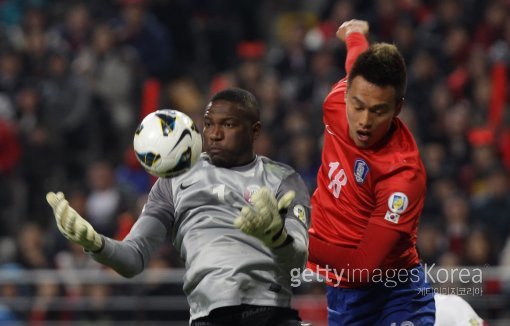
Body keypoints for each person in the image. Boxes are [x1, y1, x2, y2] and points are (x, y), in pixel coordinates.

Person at [46, 88, 311, 325]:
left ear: (255, 130)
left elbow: (298, 260)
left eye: (228, 124)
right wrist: (95, 244)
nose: (215, 135)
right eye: (208, 125)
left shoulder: (283, 179)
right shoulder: (173, 182)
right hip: (208, 317)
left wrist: (276, 237)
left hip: (270, 314)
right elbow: (134, 258)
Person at [306, 19, 436, 325]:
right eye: (358, 105)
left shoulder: (402, 176)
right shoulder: (336, 102)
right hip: (342, 293)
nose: (364, 121)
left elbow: (363, 267)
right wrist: (354, 35)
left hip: (395, 292)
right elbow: (356, 62)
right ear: (347, 92)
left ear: (397, 109)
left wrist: (290, 239)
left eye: (378, 111)